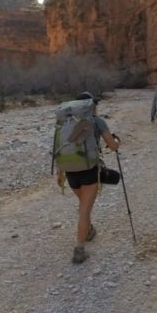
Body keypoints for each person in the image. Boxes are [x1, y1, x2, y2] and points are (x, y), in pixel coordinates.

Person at [56, 91, 120, 264]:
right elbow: (113, 146)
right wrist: (117, 142)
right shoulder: (97, 121)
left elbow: (62, 147)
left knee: (83, 204)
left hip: (70, 172)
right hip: (89, 171)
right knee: (84, 209)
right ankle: (79, 249)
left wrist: (60, 172)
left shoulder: (65, 122)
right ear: (91, 106)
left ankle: (89, 230)